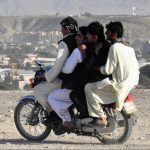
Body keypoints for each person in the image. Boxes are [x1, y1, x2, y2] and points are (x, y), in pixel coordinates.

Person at [85, 21, 139, 126]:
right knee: (126, 94)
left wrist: (97, 68)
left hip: (120, 83)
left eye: (108, 32)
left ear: (114, 35)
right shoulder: (129, 47)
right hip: (132, 81)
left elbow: (107, 70)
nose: (106, 34)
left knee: (89, 88)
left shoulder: (114, 47)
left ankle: (100, 117)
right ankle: (132, 114)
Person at [33, 17, 78, 112]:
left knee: (37, 90)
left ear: (67, 29)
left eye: (62, 28)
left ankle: (52, 114)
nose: (61, 30)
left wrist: (46, 76)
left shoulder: (64, 43)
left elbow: (58, 66)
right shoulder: (78, 40)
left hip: (66, 80)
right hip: (77, 78)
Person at [48, 26, 88, 128]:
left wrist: (59, 67)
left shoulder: (77, 51)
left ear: (86, 37)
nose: (76, 38)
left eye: (79, 35)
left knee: (52, 97)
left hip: (76, 87)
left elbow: (67, 70)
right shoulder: (92, 48)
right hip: (86, 85)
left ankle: (67, 120)